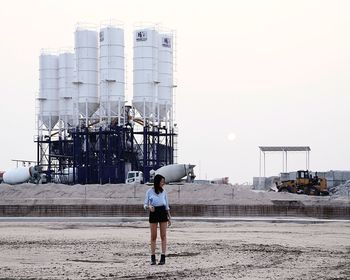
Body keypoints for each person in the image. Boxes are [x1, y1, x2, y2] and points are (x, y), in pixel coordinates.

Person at [143, 174, 171, 265]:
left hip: (163, 212)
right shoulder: (149, 191)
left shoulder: (164, 192)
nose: (163, 183)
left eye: (164, 182)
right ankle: (153, 258)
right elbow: (145, 204)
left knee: (163, 236)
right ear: (157, 181)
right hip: (153, 212)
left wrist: (169, 218)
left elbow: (166, 206)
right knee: (153, 236)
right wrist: (149, 207)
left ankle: (163, 257)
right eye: (162, 181)